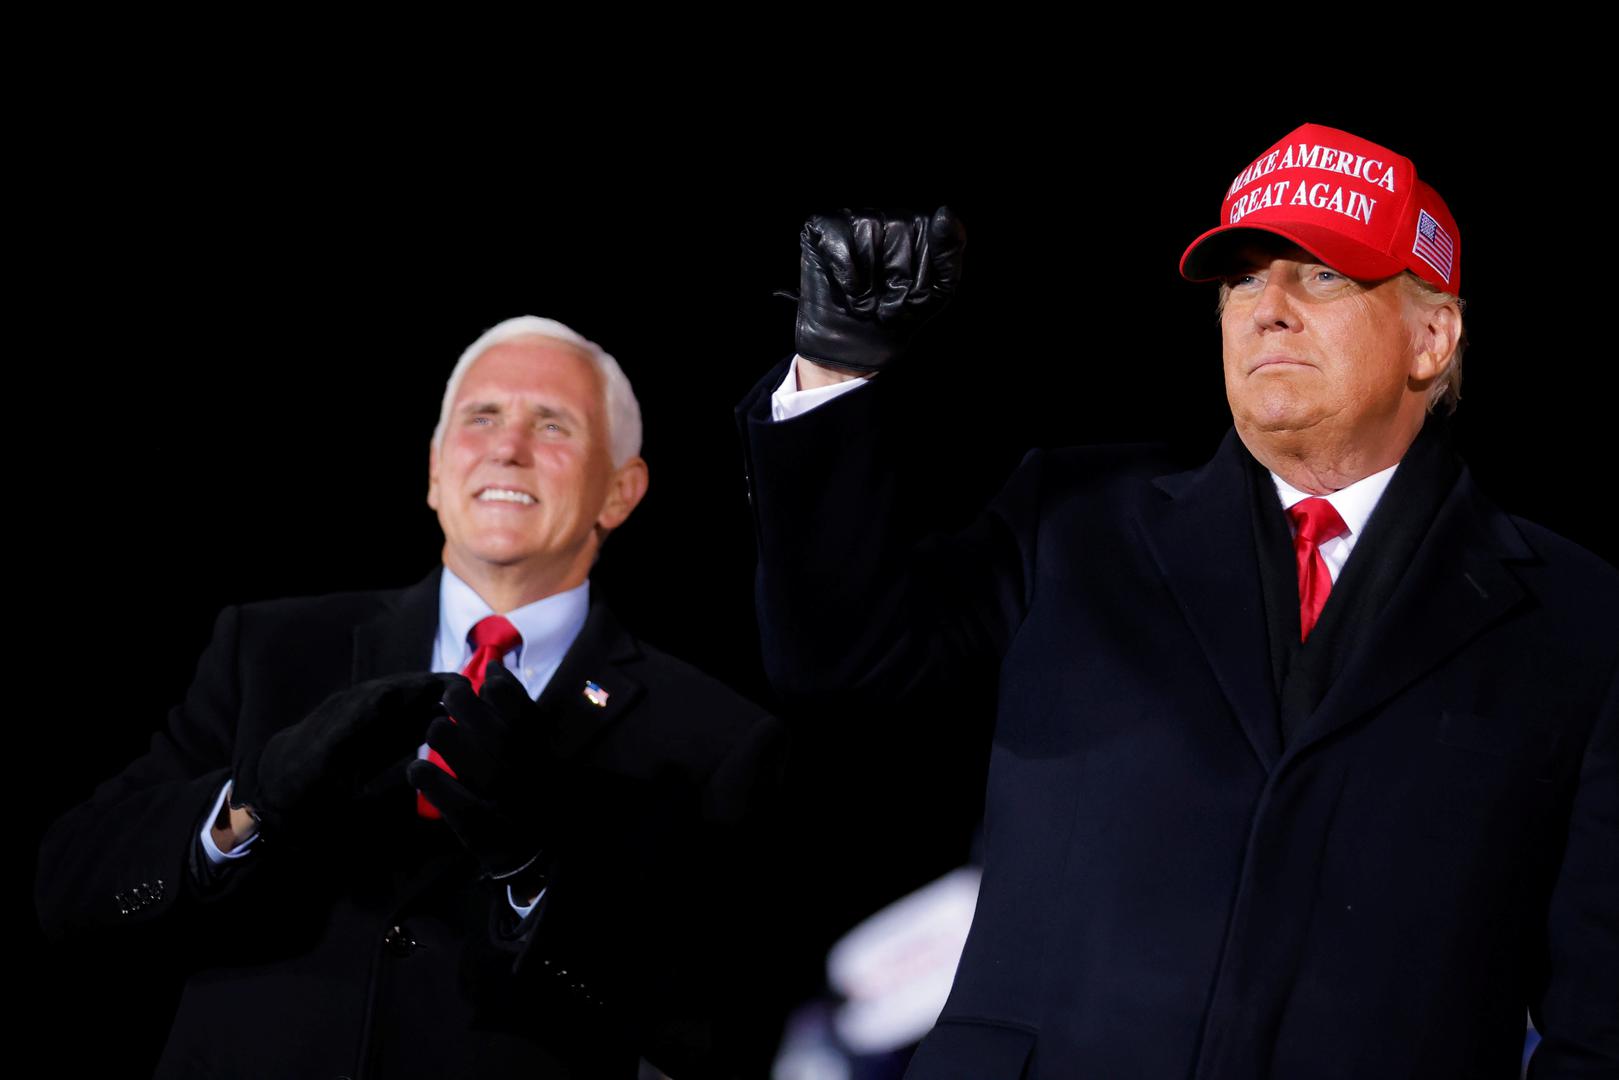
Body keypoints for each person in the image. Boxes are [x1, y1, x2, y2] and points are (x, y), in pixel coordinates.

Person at [737, 125, 1617, 1078]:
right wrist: (836, 367)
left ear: (1431, 337)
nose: (1266, 310)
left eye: (1321, 275)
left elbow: (1599, 1014)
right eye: (1241, 280)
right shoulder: (1071, 521)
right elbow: (840, 662)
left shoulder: (1576, 618)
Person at [37, 316, 784, 1079]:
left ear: (620, 491)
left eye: (552, 424)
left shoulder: (714, 736)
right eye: (481, 417)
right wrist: (247, 801)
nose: (507, 447)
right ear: (434, 470)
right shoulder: (268, 649)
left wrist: (538, 875)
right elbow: (74, 896)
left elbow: (707, 1030)